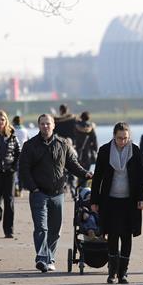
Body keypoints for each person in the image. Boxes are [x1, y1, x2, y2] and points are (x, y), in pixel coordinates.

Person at [19, 114, 92, 273]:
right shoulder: (30, 145)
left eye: (48, 124)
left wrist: (86, 174)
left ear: (54, 125)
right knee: (41, 228)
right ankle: (41, 258)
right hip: (39, 193)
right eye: (42, 124)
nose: (45, 126)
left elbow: (73, 164)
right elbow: (24, 169)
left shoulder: (63, 144)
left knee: (55, 230)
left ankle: (50, 258)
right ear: (38, 126)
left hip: (58, 193)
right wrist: (33, 188)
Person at [91, 122, 143, 284]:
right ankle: (112, 272)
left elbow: (141, 177)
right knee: (113, 236)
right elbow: (97, 177)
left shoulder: (135, 150)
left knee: (127, 236)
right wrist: (94, 200)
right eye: (119, 138)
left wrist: (142, 198)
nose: (122, 141)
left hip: (130, 201)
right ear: (114, 136)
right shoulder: (105, 151)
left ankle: (123, 273)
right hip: (110, 201)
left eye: (125, 138)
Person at [0, 111, 21, 238]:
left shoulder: (12, 136)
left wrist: (14, 167)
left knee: (9, 201)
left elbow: (19, 153)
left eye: (2, 120)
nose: (0, 122)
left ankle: (9, 230)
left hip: (9, 173)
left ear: (6, 121)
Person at [11, 115, 28, 197]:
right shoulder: (24, 130)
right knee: (21, 171)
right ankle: (20, 190)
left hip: (13, 152)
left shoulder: (12, 129)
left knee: (14, 171)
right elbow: (27, 140)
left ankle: (15, 188)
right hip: (23, 152)